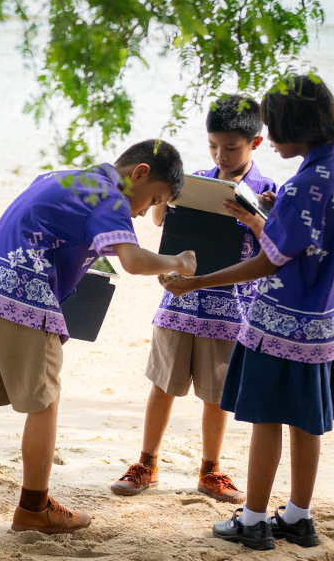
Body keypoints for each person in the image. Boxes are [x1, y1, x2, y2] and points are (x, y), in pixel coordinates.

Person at [0, 140, 196, 538]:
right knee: (45, 404)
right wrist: (178, 262)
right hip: (23, 302)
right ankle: (34, 508)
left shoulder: (59, 176)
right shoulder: (110, 195)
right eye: (152, 198)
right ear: (138, 173)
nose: (140, 212)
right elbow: (133, 261)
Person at [162, 75, 334, 550]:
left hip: (281, 322)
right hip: (326, 323)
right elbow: (314, 240)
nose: (268, 140)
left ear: (298, 127)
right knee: (305, 421)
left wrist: (197, 282)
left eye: (273, 130)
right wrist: (274, 212)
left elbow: (269, 258)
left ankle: (252, 520)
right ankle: (298, 516)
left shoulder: (304, 185)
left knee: (267, 420)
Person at [112, 95, 276, 503]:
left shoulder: (267, 191)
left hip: (231, 306)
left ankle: (211, 470)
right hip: (179, 300)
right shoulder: (196, 179)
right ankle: (146, 464)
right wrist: (166, 200)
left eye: (231, 147)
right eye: (213, 146)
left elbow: (275, 250)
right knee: (162, 383)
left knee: (216, 393)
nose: (221, 155)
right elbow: (160, 218)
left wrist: (256, 217)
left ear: (255, 143)